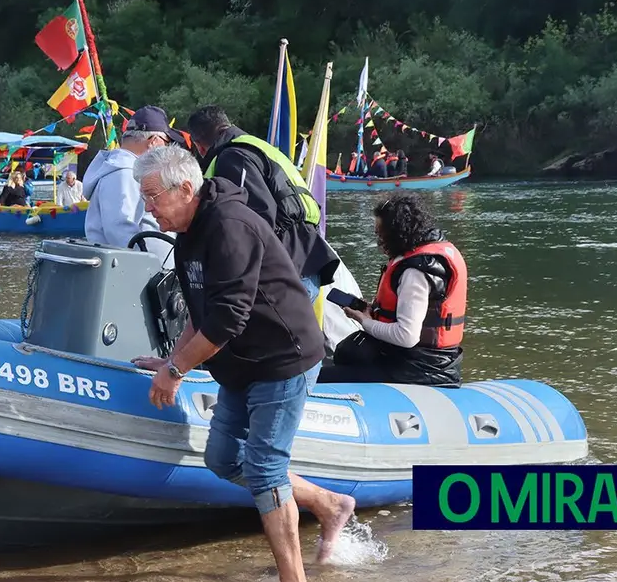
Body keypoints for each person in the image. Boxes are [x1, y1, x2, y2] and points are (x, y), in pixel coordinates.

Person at [130, 145, 356, 582]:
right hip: (240, 364)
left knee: (266, 468)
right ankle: (329, 504)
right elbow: (199, 304)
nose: (147, 207)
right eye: (144, 197)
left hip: (282, 358)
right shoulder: (189, 229)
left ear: (186, 188)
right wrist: (175, 355)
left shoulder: (230, 226)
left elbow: (228, 316)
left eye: (153, 196)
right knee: (221, 459)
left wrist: (175, 371)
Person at [185, 106, 339, 302]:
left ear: (199, 146)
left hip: (286, 270)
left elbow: (253, 219)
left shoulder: (232, 156)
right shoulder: (257, 146)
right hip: (306, 258)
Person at [320, 193, 467, 387]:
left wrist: (364, 321)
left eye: (380, 234)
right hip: (426, 361)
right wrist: (374, 311)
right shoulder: (431, 252)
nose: (379, 241)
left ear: (397, 232)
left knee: (319, 378)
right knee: (348, 354)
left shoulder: (416, 270)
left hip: (422, 369)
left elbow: (406, 336)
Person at [82, 106, 184, 265]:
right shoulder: (124, 172)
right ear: (154, 141)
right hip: (137, 278)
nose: (168, 149)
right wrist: (150, 267)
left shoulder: (123, 170)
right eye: (167, 142)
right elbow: (120, 230)